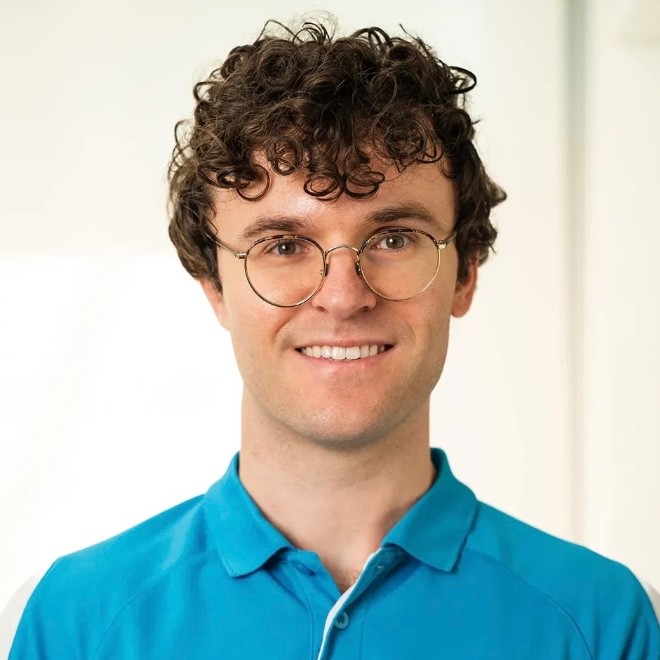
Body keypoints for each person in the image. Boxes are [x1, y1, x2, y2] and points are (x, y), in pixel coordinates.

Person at [5, 20, 659, 659]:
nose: (344, 296)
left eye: (394, 238)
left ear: (465, 273)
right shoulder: (74, 622)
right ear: (214, 286)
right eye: (284, 245)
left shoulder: (603, 623)